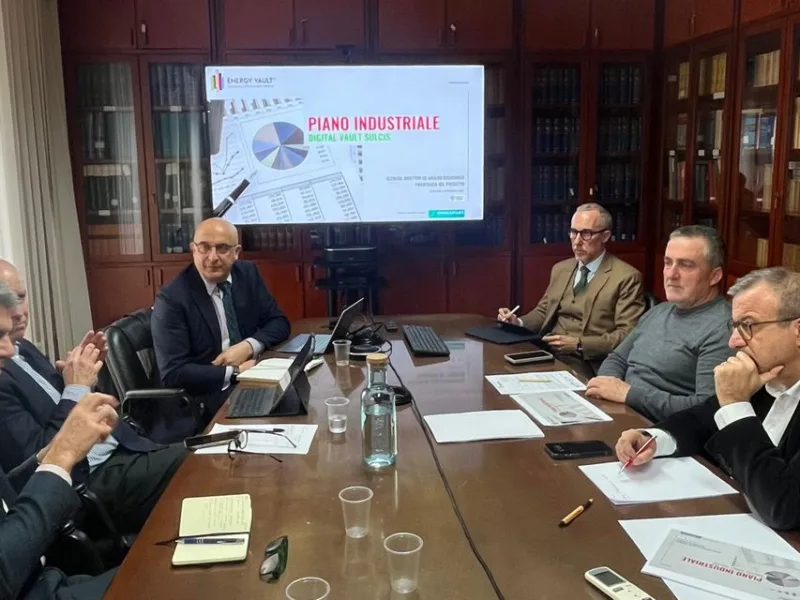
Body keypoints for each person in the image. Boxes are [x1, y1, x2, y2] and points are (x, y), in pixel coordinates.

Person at [0, 263, 185, 532]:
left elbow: (61, 407)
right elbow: (42, 462)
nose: (18, 312)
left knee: (208, 454)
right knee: (200, 463)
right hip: (91, 479)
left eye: (20, 297)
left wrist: (78, 377)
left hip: (121, 444)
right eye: (8, 302)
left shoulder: (24, 348)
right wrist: (76, 387)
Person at [615, 267, 800, 531]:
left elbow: (783, 508)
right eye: (734, 326)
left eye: (748, 325)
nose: (734, 342)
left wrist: (736, 405)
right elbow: (701, 420)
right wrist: (652, 438)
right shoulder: (763, 377)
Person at [0, 281, 118, 600]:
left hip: (46, 577)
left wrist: (53, 454)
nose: (9, 350)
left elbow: (9, 494)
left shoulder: (26, 349)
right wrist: (61, 455)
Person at [586, 225, 733, 422]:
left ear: (715, 276)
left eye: (686, 265)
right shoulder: (660, 310)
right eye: (668, 262)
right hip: (618, 411)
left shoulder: (723, 329)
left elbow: (706, 408)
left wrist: (628, 394)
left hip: (661, 429)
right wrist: (606, 387)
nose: (671, 274)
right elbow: (617, 359)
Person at [152, 218, 291, 420]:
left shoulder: (247, 274)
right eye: (204, 248)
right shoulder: (172, 298)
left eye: (222, 248)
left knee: (294, 400)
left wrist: (248, 346)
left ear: (236, 252)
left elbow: (279, 322)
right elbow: (173, 372)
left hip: (249, 379)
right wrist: (235, 371)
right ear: (193, 250)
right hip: (202, 397)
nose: (213, 257)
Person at [497, 203, 645, 378]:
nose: (577, 241)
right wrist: (518, 323)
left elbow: (627, 335)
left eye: (586, 233)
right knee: (501, 367)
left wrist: (579, 344)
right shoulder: (561, 269)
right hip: (548, 351)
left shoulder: (626, 277)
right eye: (573, 232)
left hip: (587, 360)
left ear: (605, 236)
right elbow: (543, 311)